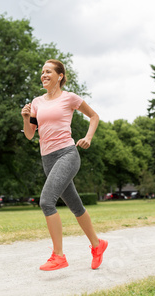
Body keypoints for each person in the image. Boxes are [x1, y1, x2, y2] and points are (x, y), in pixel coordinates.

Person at [21, 59, 108, 271]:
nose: (43, 75)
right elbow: (30, 135)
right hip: (47, 159)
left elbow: (94, 116)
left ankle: (58, 255)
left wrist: (88, 137)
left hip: (67, 154)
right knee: (75, 205)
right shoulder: (37, 103)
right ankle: (98, 245)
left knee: (46, 202)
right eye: (42, 72)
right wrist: (25, 118)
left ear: (60, 76)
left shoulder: (70, 98)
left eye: (48, 71)